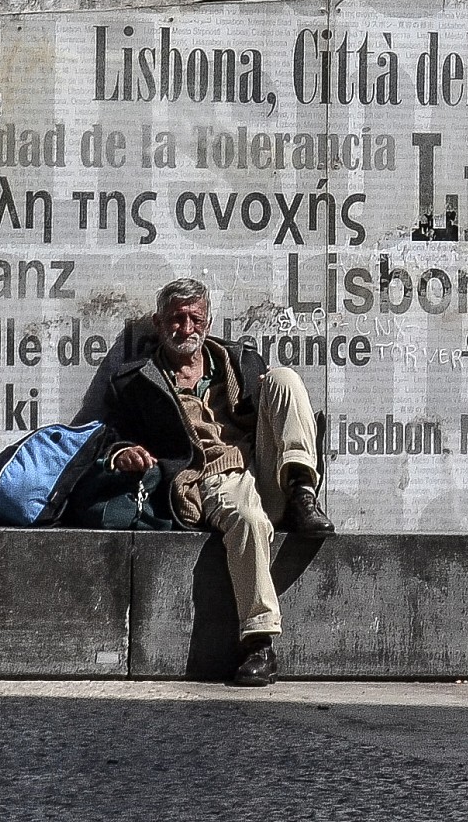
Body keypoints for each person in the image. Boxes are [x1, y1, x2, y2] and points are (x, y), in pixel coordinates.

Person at [98, 278, 334, 687]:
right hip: (210, 476)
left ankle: (302, 492)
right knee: (248, 518)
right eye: (176, 319)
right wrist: (123, 453)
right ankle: (259, 643)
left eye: (195, 319)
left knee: (286, 379)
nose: (186, 329)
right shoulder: (137, 381)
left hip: (266, 468)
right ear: (158, 322)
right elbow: (110, 434)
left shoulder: (240, 361)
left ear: (208, 321)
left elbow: (275, 413)